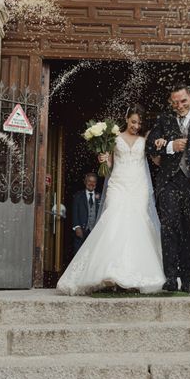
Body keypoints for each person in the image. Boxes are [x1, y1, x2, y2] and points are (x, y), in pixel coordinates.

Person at [57, 105, 165, 295]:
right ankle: (109, 272)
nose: (136, 126)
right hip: (118, 183)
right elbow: (109, 164)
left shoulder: (144, 139)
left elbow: (156, 161)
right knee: (113, 219)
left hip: (139, 186)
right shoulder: (114, 137)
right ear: (126, 118)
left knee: (137, 224)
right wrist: (103, 158)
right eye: (133, 122)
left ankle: (134, 273)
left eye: (139, 123)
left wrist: (161, 146)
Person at [146, 83, 190, 293]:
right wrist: (170, 146)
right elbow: (150, 145)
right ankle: (171, 277)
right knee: (169, 229)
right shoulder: (164, 119)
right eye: (175, 102)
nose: (179, 105)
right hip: (169, 182)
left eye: (183, 101)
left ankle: (189, 279)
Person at [71, 173, 100, 255]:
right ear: (85, 182)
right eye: (89, 181)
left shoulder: (100, 196)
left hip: (95, 231)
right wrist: (77, 227)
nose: (91, 183)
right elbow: (75, 212)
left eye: (94, 182)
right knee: (79, 254)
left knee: (93, 254)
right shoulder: (78, 196)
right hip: (81, 230)